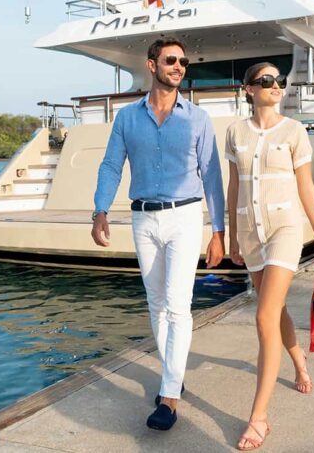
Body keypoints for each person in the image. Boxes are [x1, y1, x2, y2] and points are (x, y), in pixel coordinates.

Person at [91, 37, 226, 432]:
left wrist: (218, 231)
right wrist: (100, 210)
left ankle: (169, 397)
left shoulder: (197, 118)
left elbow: (212, 175)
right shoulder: (127, 118)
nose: (179, 66)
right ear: (152, 65)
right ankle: (173, 373)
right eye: (171, 60)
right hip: (143, 219)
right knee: (156, 304)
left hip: (185, 216)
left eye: (183, 61)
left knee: (178, 305)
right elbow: (111, 165)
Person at [222, 62, 314, 450]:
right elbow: (234, 187)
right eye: (266, 81)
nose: (275, 85)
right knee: (276, 310)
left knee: (264, 316)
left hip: (285, 229)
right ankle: (298, 358)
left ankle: (259, 417)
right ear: (248, 89)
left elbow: (306, 187)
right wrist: (232, 238)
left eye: (279, 80)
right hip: (250, 233)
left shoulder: (294, 131)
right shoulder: (235, 132)